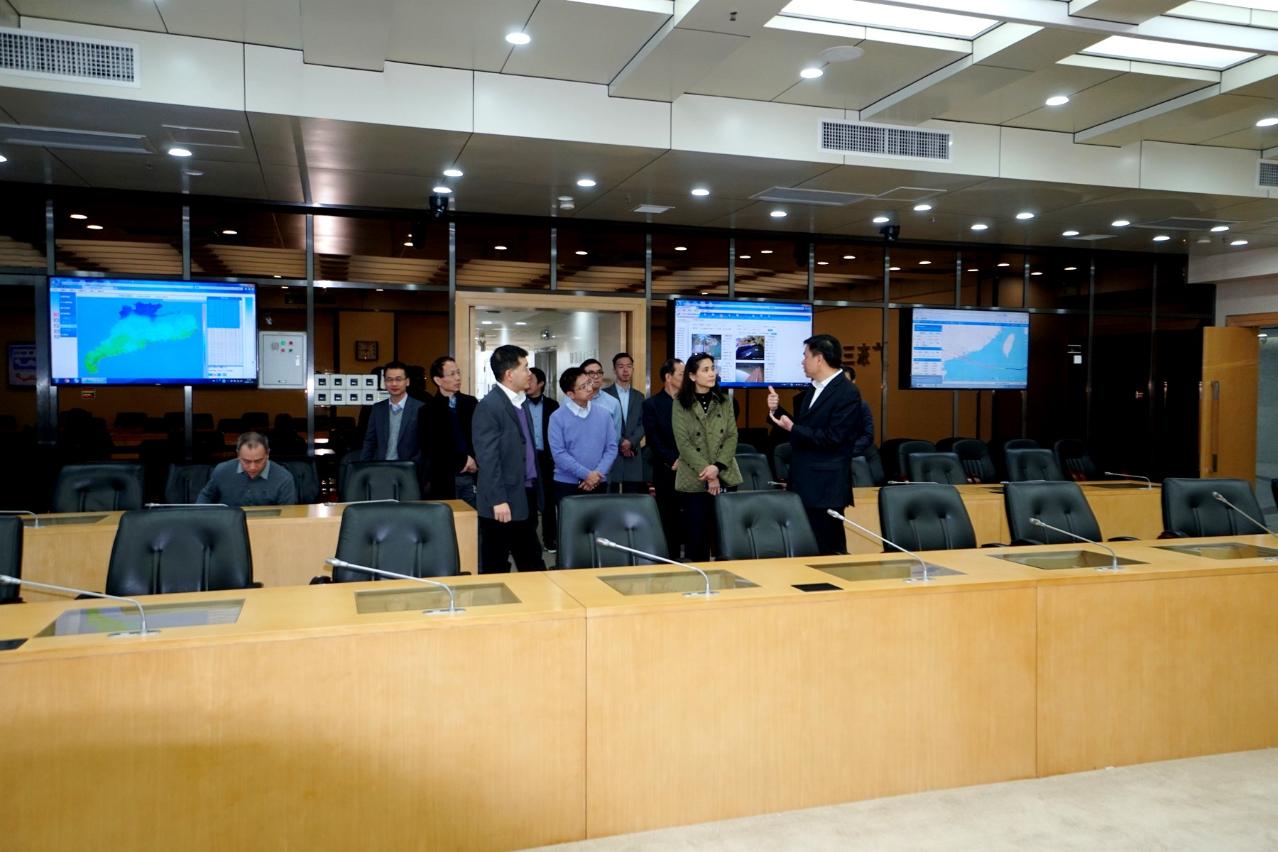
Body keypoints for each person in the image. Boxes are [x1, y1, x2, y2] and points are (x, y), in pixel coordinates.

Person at [767, 334, 862, 555]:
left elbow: (833, 438)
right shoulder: (813, 389)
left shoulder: (847, 392)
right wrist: (776, 410)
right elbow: (804, 429)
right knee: (805, 550)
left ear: (819, 359)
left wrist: (793, 428)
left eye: (805, 356)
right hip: (805, 482)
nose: (802, 361)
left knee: (828, 550)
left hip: (825, 487)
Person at [472, 344, 545, 573]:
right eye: (525, 368)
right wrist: (498, 500)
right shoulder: (489, 406)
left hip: (525, 493)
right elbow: (488, 459)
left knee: (531, 561)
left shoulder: (520, 402)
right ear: (509, 374)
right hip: (502, 499)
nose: (529, 373)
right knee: (496, 564)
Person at [672, 353, 742, 562]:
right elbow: (684, 444)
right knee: (696, 538)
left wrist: (717, 468)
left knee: (726, 537)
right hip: (695, 478)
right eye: (706, 370)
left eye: (712, 368)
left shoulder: (724, 401)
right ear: (692, 376)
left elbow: (732, 436)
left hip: (724, 473)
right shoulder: (680, 403)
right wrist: (709, 473)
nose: (712, 373)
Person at [548, 366, 618, 505]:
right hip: (567, 484)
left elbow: (611, 448)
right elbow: (559, 453)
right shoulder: (557, 417)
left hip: (599, 481)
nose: (589, 388)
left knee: (599, 519)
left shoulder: (604, 415)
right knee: (570, 520)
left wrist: (596, 475)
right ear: (570, 394)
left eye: (589, 383)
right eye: (583, 386)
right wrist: (587, 475)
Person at [419, 356, 478, 506]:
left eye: (458, 373)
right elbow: (431, 447)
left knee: (474, 517)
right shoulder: (427, 410)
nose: (457, 378)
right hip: (444, 476)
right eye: (452, 374)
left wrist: (473, 460)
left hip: (472, 473)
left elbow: (480, 436)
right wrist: (462, 461)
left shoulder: (471, 403)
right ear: (438, 380)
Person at [641, 357, 684, 557]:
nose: (686, 378)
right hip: (667, 468)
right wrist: (673, 460)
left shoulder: (690, 402)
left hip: (693, 469)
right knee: (668, 516)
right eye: (682, 374)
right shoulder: (652, 404)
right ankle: (670, 557)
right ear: (668, 377)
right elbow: (653, 438)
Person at [197, 432, 296, 507]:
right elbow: (205, 497)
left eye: (258, 461)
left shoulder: (284, 478)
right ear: (238, 455)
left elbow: (287, 515)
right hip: (228, 525)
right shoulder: (222, 471)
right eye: (246, 461)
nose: (252, 467)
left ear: (267, 454)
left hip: (268, 525)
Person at [360, 360, 424, 471]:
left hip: (410, 470)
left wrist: (414, 466)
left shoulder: (420, 409)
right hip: (381, 468)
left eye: (398, 379)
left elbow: (425, 445)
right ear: (384, 382)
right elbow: (370, 441)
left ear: (407, 382)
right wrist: (363, 468)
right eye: (389, 379)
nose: (394, 384)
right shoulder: (377, 409)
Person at [601, 352, 647, 493]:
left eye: (629, 366)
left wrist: (631, 442)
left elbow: (643, 423)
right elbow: (604, 423)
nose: (625, 370)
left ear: (633, 369)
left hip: (633, 452)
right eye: (621, 367)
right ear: (614, 370)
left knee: (632, 496)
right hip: (612, 452)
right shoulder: (604, 395)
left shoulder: (639, 396)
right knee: (611, 495)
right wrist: (621, 442)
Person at [527, 366, 560, 550]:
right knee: (529, 499)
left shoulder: (552, 405)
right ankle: (530, 542)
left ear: (540, 383)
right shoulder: (519, 404)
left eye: (531, 379)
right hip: (527, 459)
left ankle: (550, 539)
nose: (527, 382)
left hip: (546, 458)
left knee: (548, 500)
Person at [581, 358, 623, 442]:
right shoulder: (571, 400)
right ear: (582, 376)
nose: (596, 376)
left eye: (599, 372)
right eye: (591, 373)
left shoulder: (613, 403)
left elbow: (615, 436)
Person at [842, 365, 876, 458]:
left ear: (853, 382)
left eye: (846, 381)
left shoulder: (861, 405)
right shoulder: (828, 404)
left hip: (858, 451)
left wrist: (850, 450)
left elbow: (868, 435)